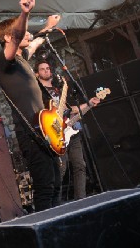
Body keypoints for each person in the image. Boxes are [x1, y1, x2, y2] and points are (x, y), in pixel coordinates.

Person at [0, 0, 61, 212]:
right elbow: (18, 35)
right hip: (30, 134)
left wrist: (49, 27)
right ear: (8, 37)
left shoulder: (23, 60)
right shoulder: (5, 62)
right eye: (20, 31)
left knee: (56, 184)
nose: (27, 33)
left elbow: (36, 41)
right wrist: (24, 14)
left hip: (45, 131)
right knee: (45, 187)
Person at [35, 59, 100, 200]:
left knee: (80, 165)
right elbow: (42, 114)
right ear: (36, 74)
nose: (47, 70)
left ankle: (81, 200)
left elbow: (69, 110)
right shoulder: (39, 93)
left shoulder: (58, 90)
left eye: (48, 68)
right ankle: (56, 203)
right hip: (55, 133)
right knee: (61, 169)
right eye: (42, 69)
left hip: (70, 131)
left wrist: (88, 104)